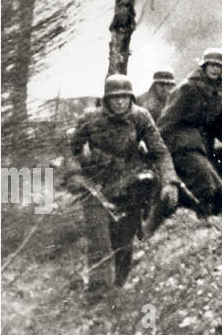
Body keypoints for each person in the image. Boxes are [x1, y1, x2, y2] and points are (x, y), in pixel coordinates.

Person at [67, 75, 180, 302]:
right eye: (115, 98)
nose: (120, 103)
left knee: (124, 244)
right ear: (107, 100)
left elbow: (160, 151)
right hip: (96, 185)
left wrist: (169, 181)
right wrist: (76, 174)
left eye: (124, 97)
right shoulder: (90, 118)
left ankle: (116, 293)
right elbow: (71, 150)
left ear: (131, 98)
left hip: (129, 186)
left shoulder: (141, 116)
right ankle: (97, 296)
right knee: (99, 241)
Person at [156, 48, 222, 216]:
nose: (215, 69)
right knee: (206, 187)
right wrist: (158, 148)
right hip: (181, 141)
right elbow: (166, 120)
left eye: (219, 66)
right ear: (204, 66)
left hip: (203, 140)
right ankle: (201, 222)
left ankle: (213, 224)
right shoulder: (187, 88)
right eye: (212, 65)